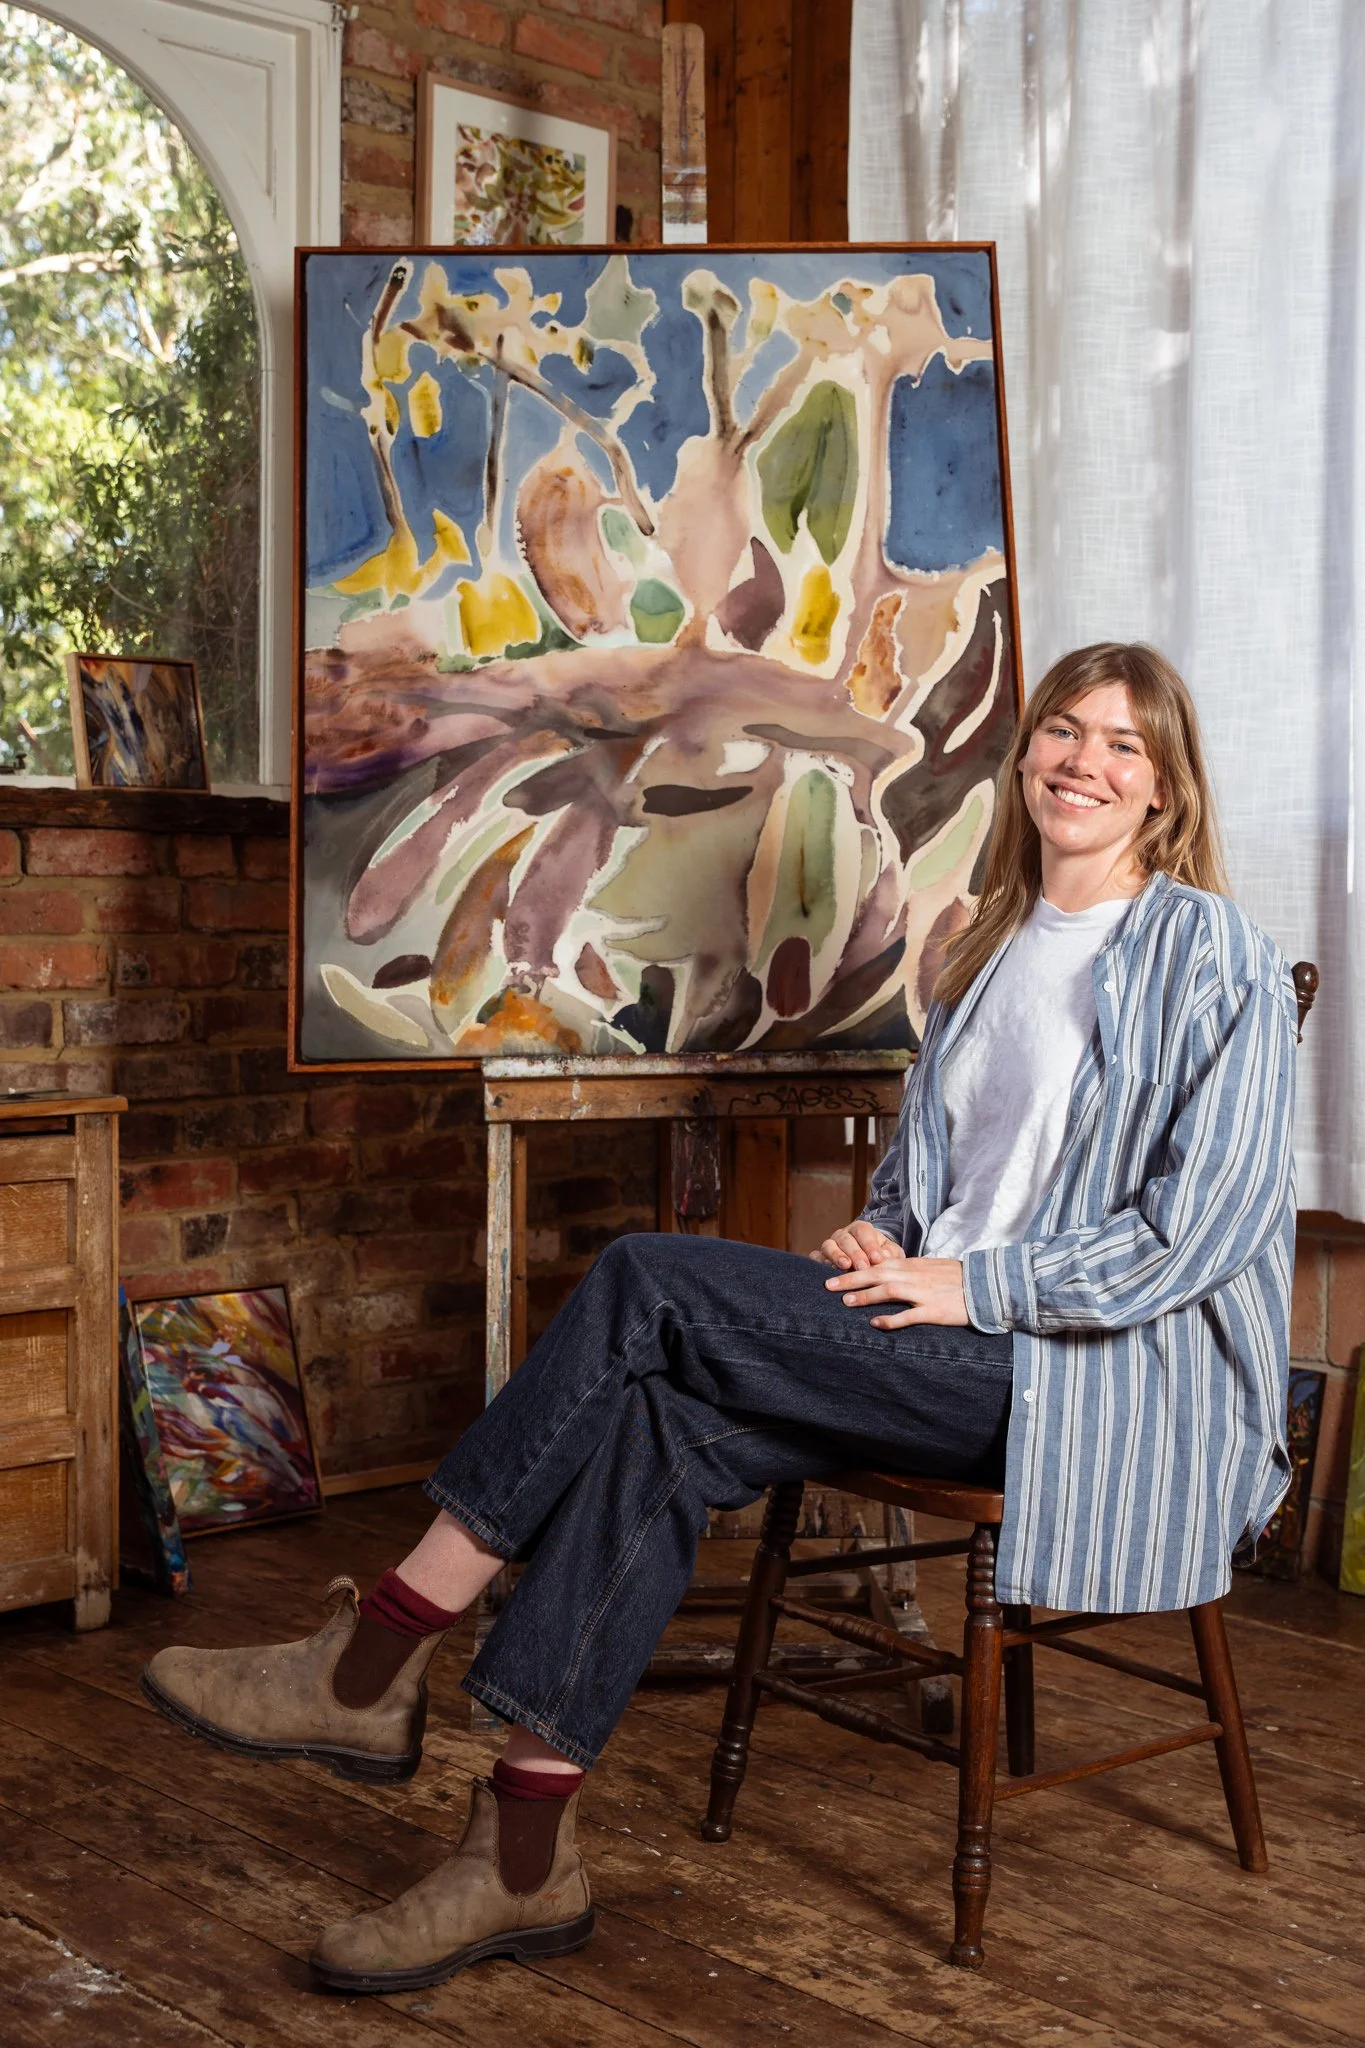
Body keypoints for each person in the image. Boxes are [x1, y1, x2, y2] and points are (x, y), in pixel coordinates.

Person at [142, 641, 1298, 1997]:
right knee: (667, 1413)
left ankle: (377, 1655)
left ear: (1163, 790)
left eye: (1123, 744)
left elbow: (1201, 1230)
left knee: (643, 1277)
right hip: (946, 1327)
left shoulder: (1204, 945)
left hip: (1072, 1376)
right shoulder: (984, 952)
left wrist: (971, 1284)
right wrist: (898, 1233)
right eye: (1062, 729)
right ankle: (523, 1853)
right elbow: (954, 1186)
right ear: (1026, 752)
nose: (1082, 761)